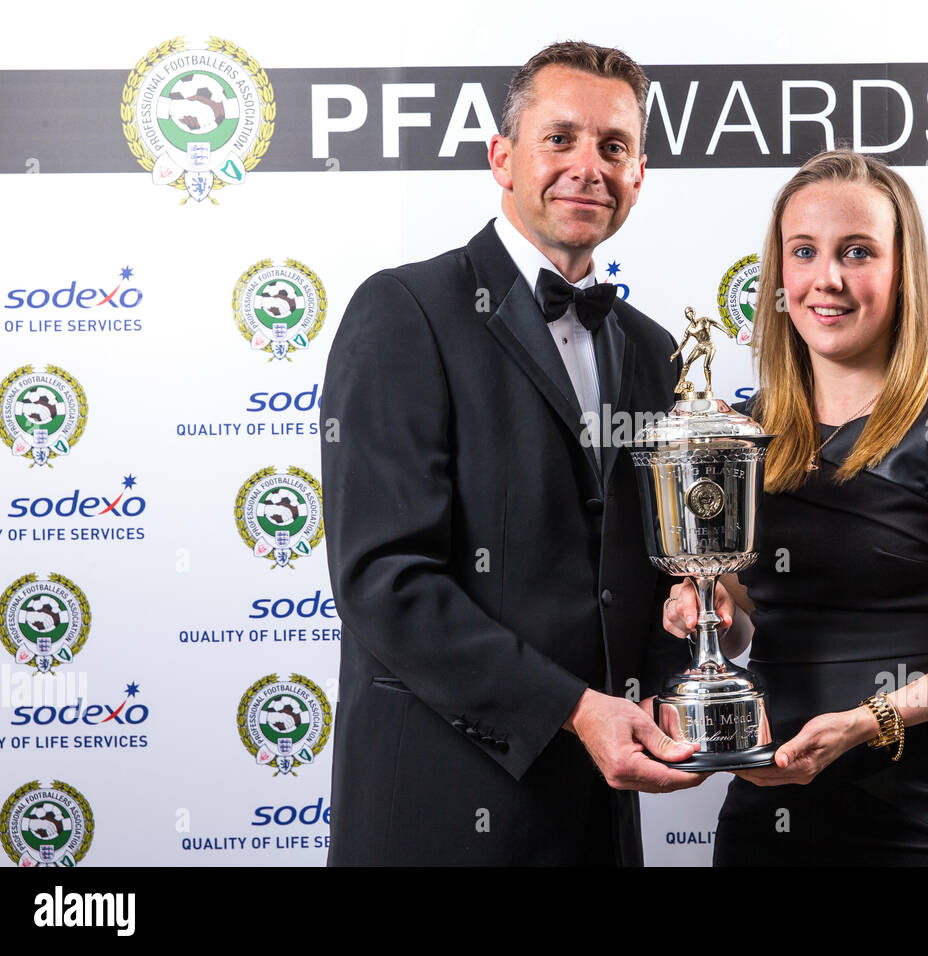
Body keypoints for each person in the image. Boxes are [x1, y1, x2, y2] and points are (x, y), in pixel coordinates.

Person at [321, 41, 704, 867]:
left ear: (640, 173)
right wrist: (571, 706)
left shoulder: (653, 351)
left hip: (597, 817)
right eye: (559, 139)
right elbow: (384, 581)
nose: (587, 167)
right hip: (437, 807)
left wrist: (694, 657)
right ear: (502, 157)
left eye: (614, 146)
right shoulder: (403, 310)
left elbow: (650, 574)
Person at [664, 149, 928, 865]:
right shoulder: (741, 434)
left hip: (920, 827)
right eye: (804, 252)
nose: (829, 279)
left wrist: (869, 719)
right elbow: (744, 625)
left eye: (858, 252)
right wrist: (709, 607)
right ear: (780, 276)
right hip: (767, 815)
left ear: (901, 270)